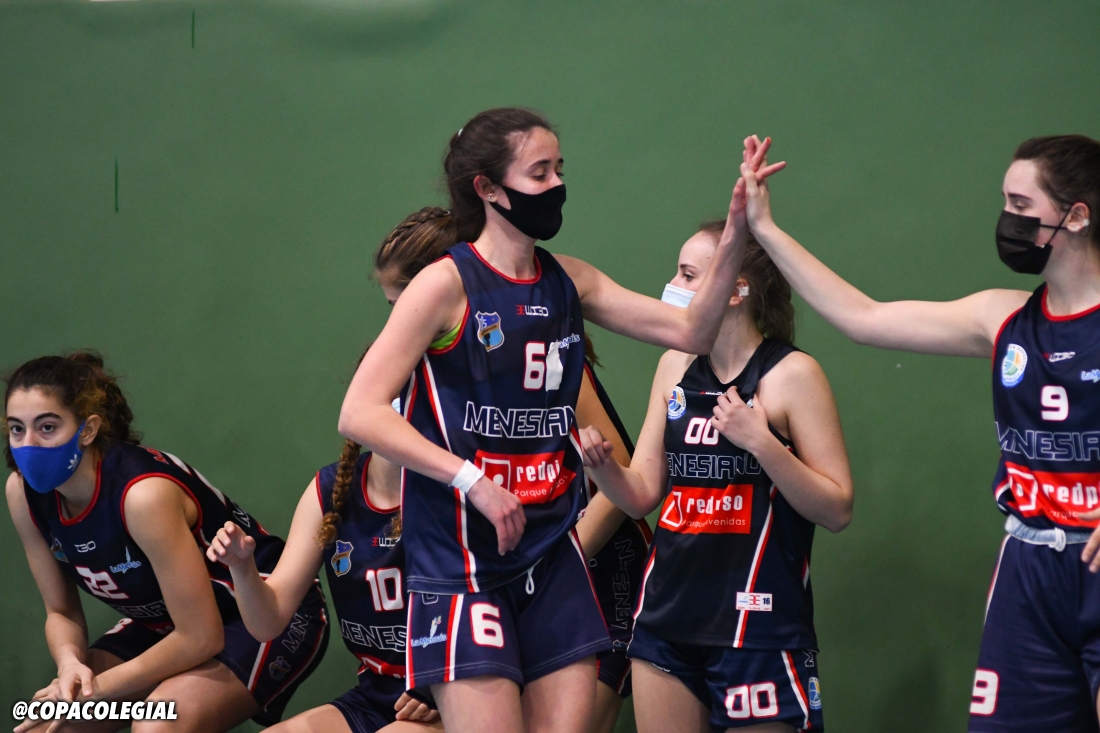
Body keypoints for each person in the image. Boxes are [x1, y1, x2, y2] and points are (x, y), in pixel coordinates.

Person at [338, 108, 784, 733]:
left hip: (550, 553)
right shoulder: (443, 286)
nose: (556, 185)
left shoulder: (571, 280)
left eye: (559, 170)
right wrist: (472, 480)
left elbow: (692, 329)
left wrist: (736, 229)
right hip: (462, 562)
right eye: (539, 172)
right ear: (488, 189)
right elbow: (358, 411)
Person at [738, 133, 1100, 732]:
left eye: (1021, 205)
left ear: (1077, 216)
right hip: (1029, 570)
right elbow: (864, 318)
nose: (1006, 218)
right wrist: (766, 228)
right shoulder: (1003, 316)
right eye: (1004, 202)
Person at [579, 219, 854, 732]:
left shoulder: (792, 375)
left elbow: (837, 509)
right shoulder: (674, 366)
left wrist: (761, 443)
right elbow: (641, 494)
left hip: (758, 626)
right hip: (665, 617)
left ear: (735, 290)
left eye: (687, 275)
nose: (671, 286)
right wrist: (604, 468)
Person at [205, 209, 457, 733]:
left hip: (449, 697)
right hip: (374, 696)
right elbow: (269, 620)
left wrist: (446, 686)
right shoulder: (331, 492)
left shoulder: (459, 489)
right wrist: (244, 570)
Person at [4, 352, 328, 733]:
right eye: (16, 429)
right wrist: (69, 666)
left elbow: (201, 637)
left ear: (87, 430)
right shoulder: (22, 494)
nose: (28, 445)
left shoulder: (142, 497)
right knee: (47, 727)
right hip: (173, 625)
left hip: (265, 615)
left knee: (156, 724)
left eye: (47, 427)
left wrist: (92, 693)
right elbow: (60, 610)